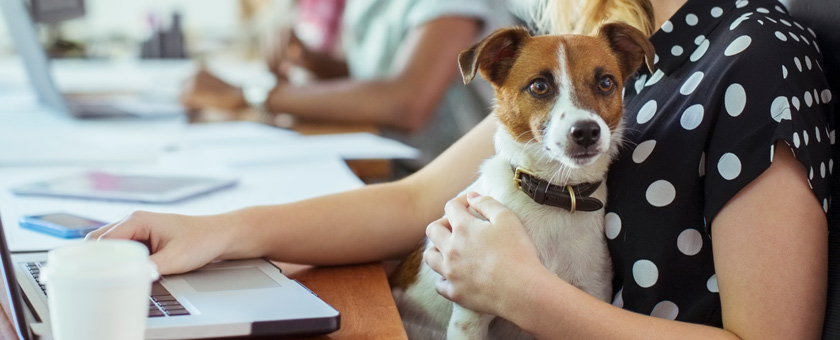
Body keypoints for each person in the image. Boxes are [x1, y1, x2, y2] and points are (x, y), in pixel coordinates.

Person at [89, 0, 835, 338]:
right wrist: (214, 233)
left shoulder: (756, 55)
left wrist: (519, 290)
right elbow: (414, 198)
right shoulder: (579, 35)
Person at [182, 0, 515, 171]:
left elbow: (406, 102)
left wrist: (247, 94)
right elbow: (375, 76)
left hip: (445, 181)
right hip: (386, 159)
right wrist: (312, 60)